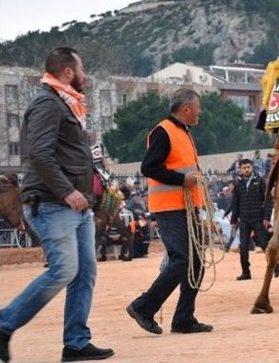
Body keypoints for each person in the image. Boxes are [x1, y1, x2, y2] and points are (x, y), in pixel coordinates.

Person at [0, 47, 114, 362]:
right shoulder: (47, 104)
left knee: (85, 272)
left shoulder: (67, 105)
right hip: (53, 203)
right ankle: (3, 323)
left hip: (76, 207)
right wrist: (67, 191)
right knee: (65, 269)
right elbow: (39, 154)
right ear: (67, 72)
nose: (85, 75)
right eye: (81, 68)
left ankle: (76, 343)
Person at [126, 88, 213, 335]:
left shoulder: (183, 132)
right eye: (197, 107)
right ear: (186, 108)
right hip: (170, 207)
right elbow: (148, 167)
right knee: (181, 259)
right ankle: (143, 307)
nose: (200, 112)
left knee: (196, 262)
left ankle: (184, 319)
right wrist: (181, 179)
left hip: (188, 206)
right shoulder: (163, 131)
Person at [224, 159, 279, 280]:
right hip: (244, 220)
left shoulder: (260, 181)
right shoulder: (238, 184)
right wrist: (234, 220)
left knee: (263, 244)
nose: (246, 169)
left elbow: (268, 201)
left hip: (258, 219)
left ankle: (276, 266)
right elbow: (235, 203)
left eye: (248, 167)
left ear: (252, 168)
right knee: (243, 247)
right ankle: (246, 273)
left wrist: (266, 218)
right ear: (240, 169)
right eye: (244, 168)